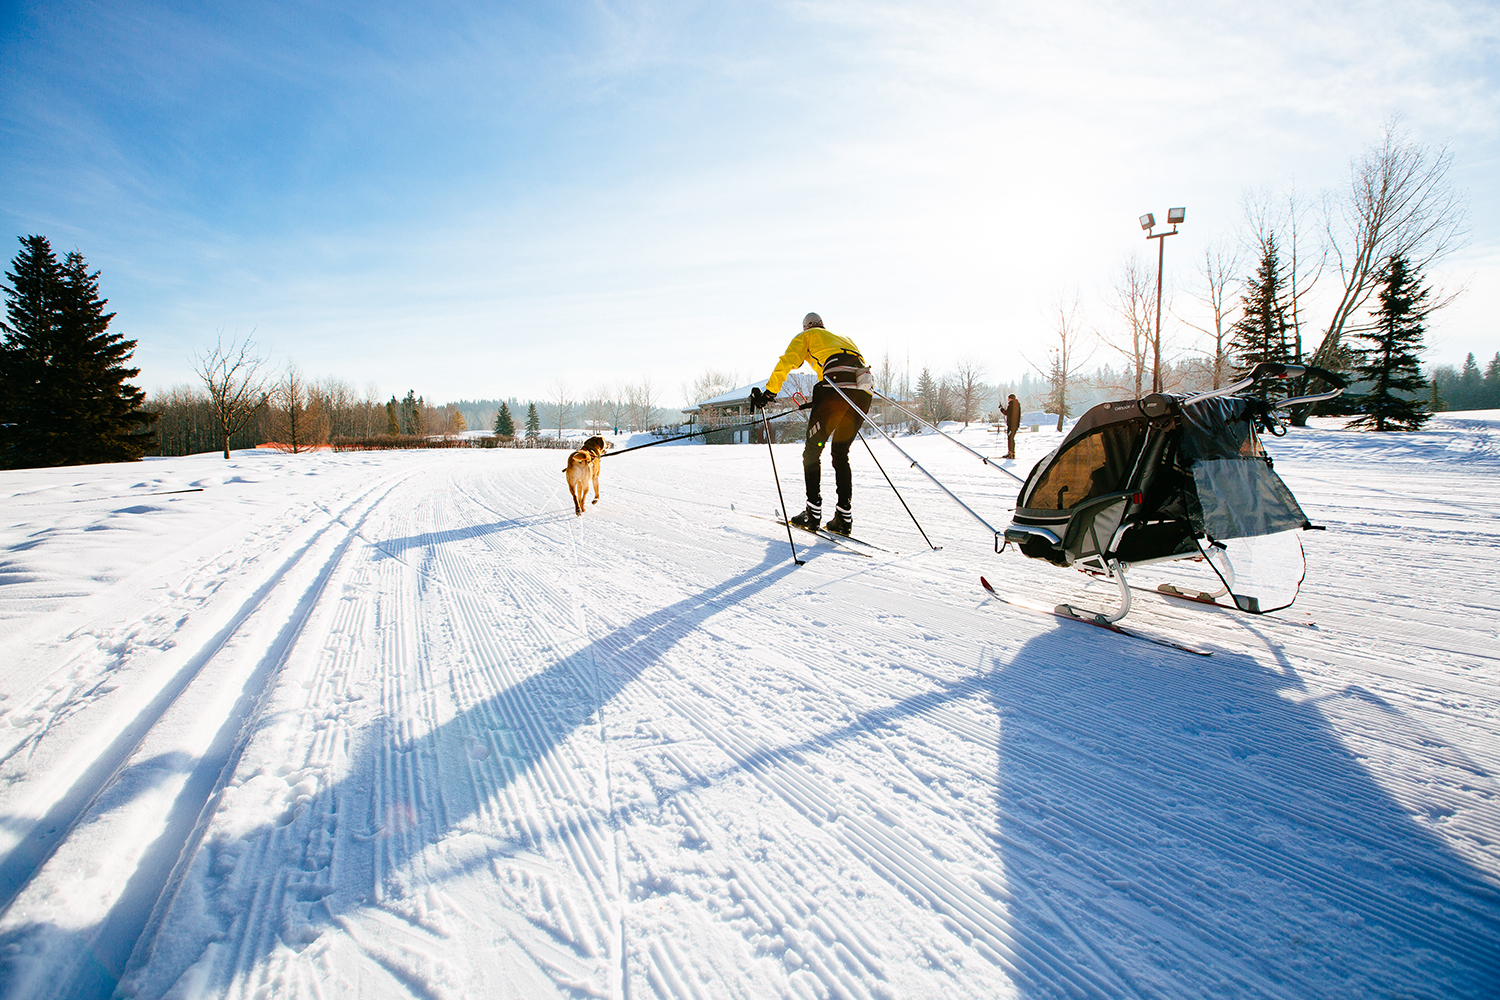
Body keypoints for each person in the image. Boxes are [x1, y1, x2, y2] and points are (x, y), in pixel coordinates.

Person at [749, 312, 872, 536]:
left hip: (836, 389)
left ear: (807, 327)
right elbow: (833, 371)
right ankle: (844, 518)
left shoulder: (807, 337)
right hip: (863, 392)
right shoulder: (843, 339)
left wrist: (769, 394)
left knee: (812, 453)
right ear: (824, 326)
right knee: (840, 452)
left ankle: (812, 513)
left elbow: (786, 362)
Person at [1004, 393, 1022, 459]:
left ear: (1010, 398)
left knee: (1010, 438)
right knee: (1011, 438)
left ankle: (1011, 453)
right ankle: (1011, 452)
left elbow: (1006, 412)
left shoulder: (1012, 405)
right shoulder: (1017, 405)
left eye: (1008, 399)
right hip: (1015, 425)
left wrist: (1001, 409)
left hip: (1012, 425)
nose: (1008, 400)